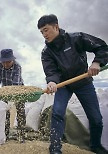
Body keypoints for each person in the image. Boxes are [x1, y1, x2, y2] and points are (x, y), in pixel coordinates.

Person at [37, 14, 108, 154]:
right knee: (57, 113)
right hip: (63, 85)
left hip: (83, 82)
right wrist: (52, 81)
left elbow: (102, 47)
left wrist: (97, 62)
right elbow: (51, 71)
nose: (44, 34)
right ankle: (55, 149)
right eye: (41, 32)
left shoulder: (76, 38)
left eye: (46, 30)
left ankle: (95, 146)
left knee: (96, 118)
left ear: (56, 27)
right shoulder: (46, 52)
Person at [0, 49, 26, 143]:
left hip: (18, 89)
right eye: (4, 62)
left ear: (12, 60)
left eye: (8, 62)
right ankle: (5, 134)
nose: (6, 64)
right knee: (5, 112)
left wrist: (12, 97)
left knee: (21, 111)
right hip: (4, 90)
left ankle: (21, 135)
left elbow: (16, 83)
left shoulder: (17, 66)